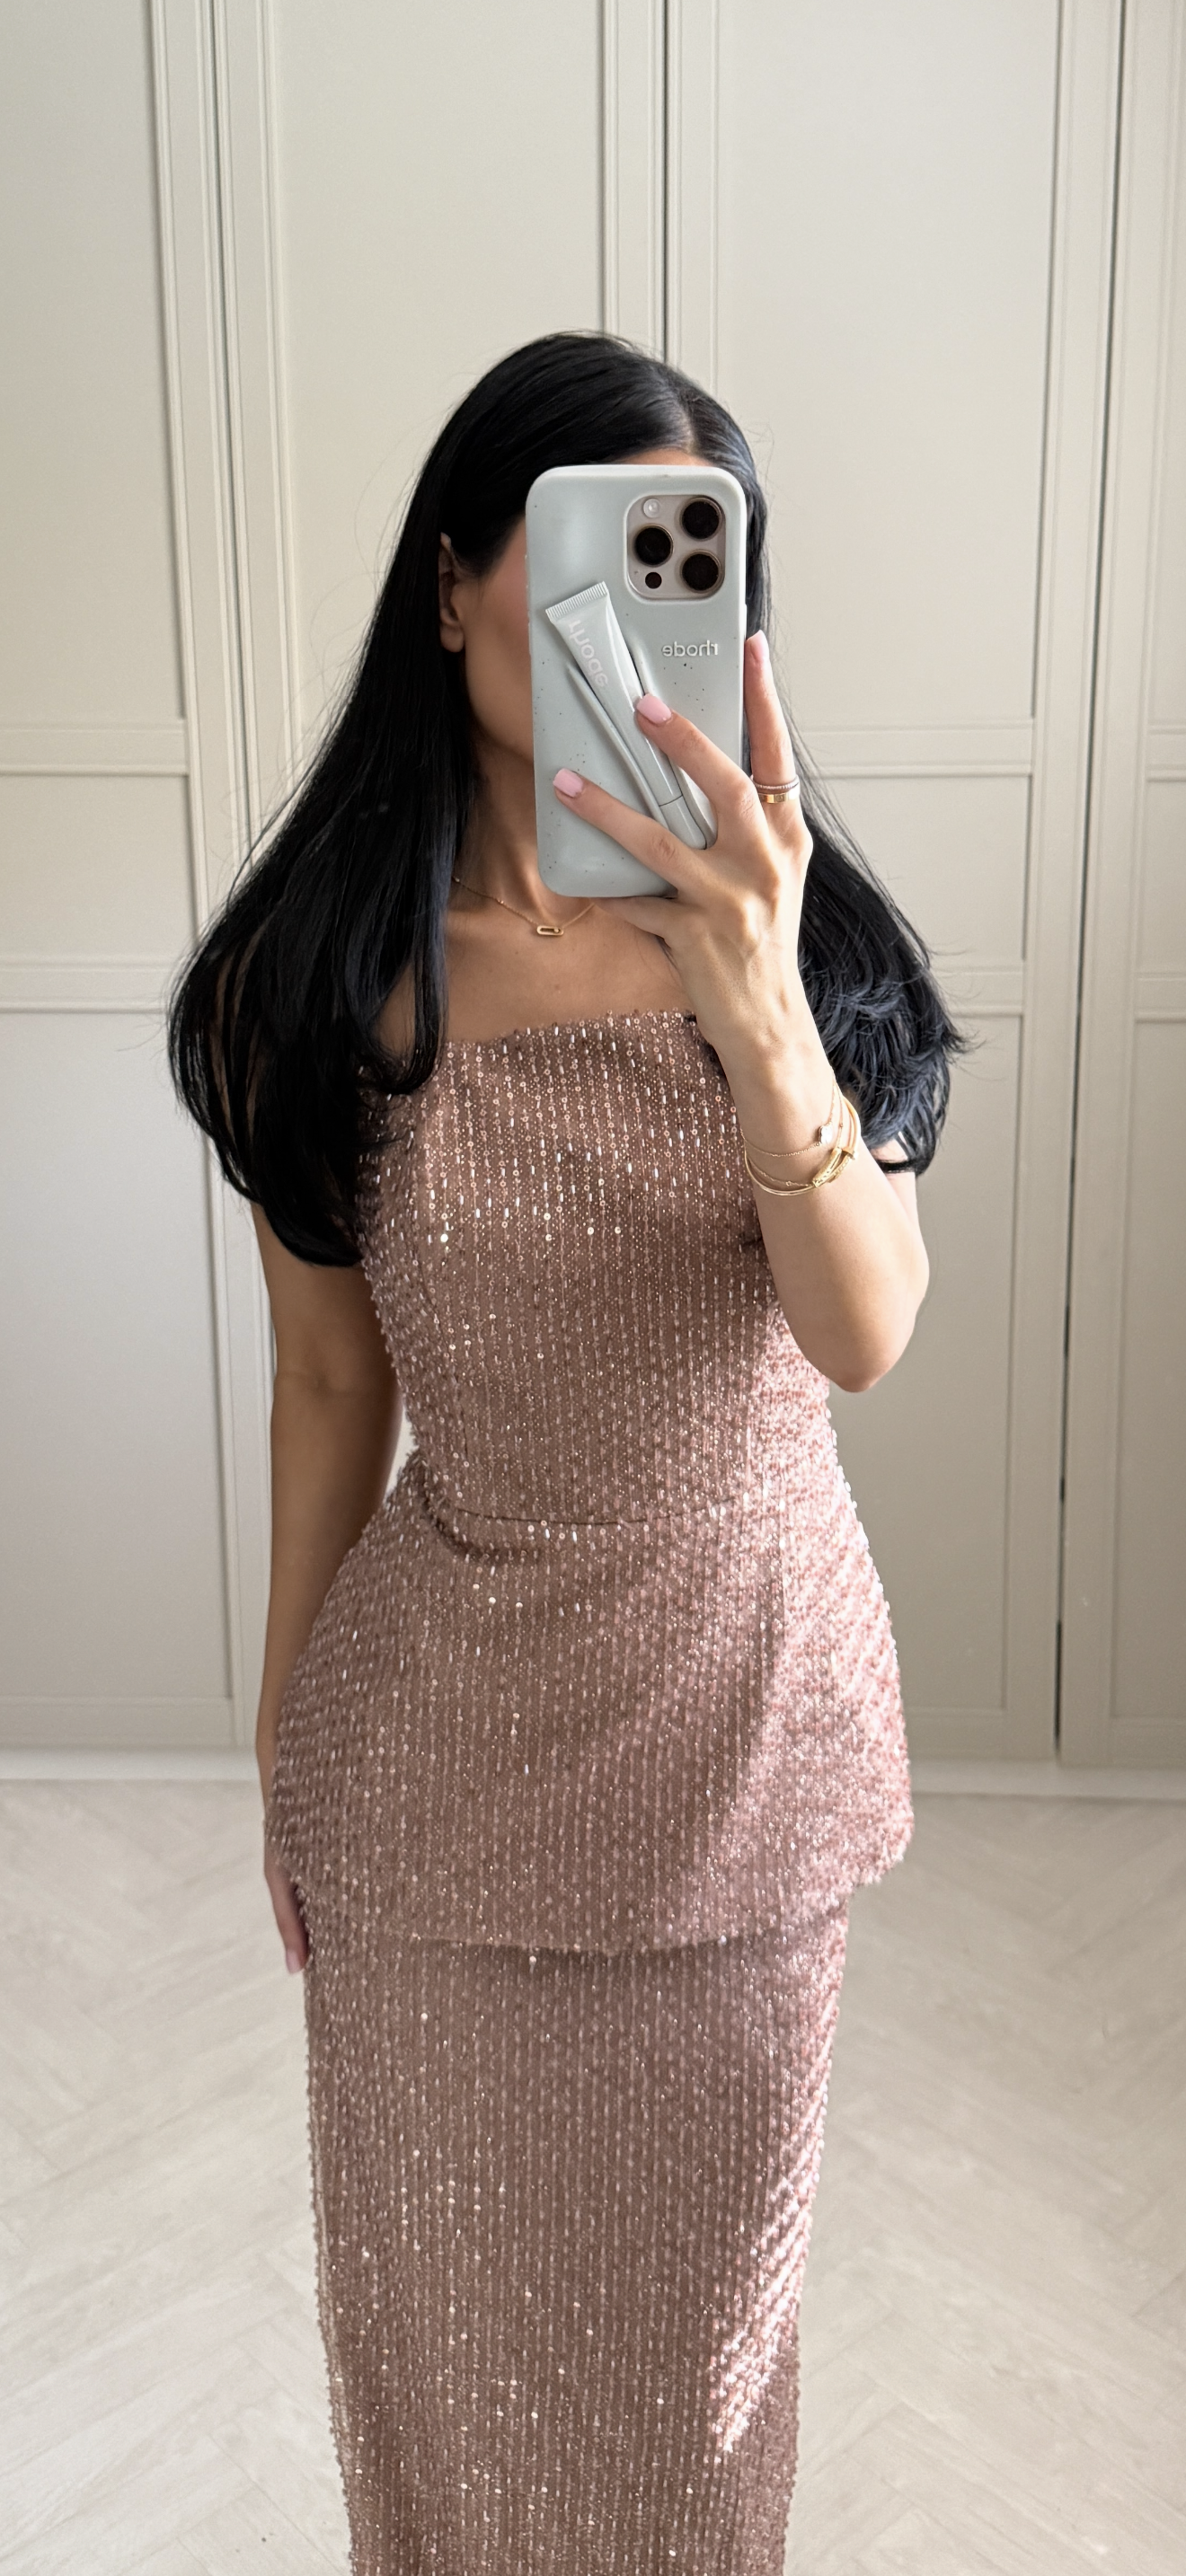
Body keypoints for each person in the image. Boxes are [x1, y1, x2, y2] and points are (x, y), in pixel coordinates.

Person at [170, 332, 960, 2574]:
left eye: (674, 561)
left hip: (749, 1738)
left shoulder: (804, 945)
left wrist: (757, 999)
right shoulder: (320, 980)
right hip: (431, 1766)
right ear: (452, 588)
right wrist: (283, 1738)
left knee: (702, 2376)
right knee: (433, 2348)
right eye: (570, 550)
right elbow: (332, 1389)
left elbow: (864, 1337)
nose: (618, 614)